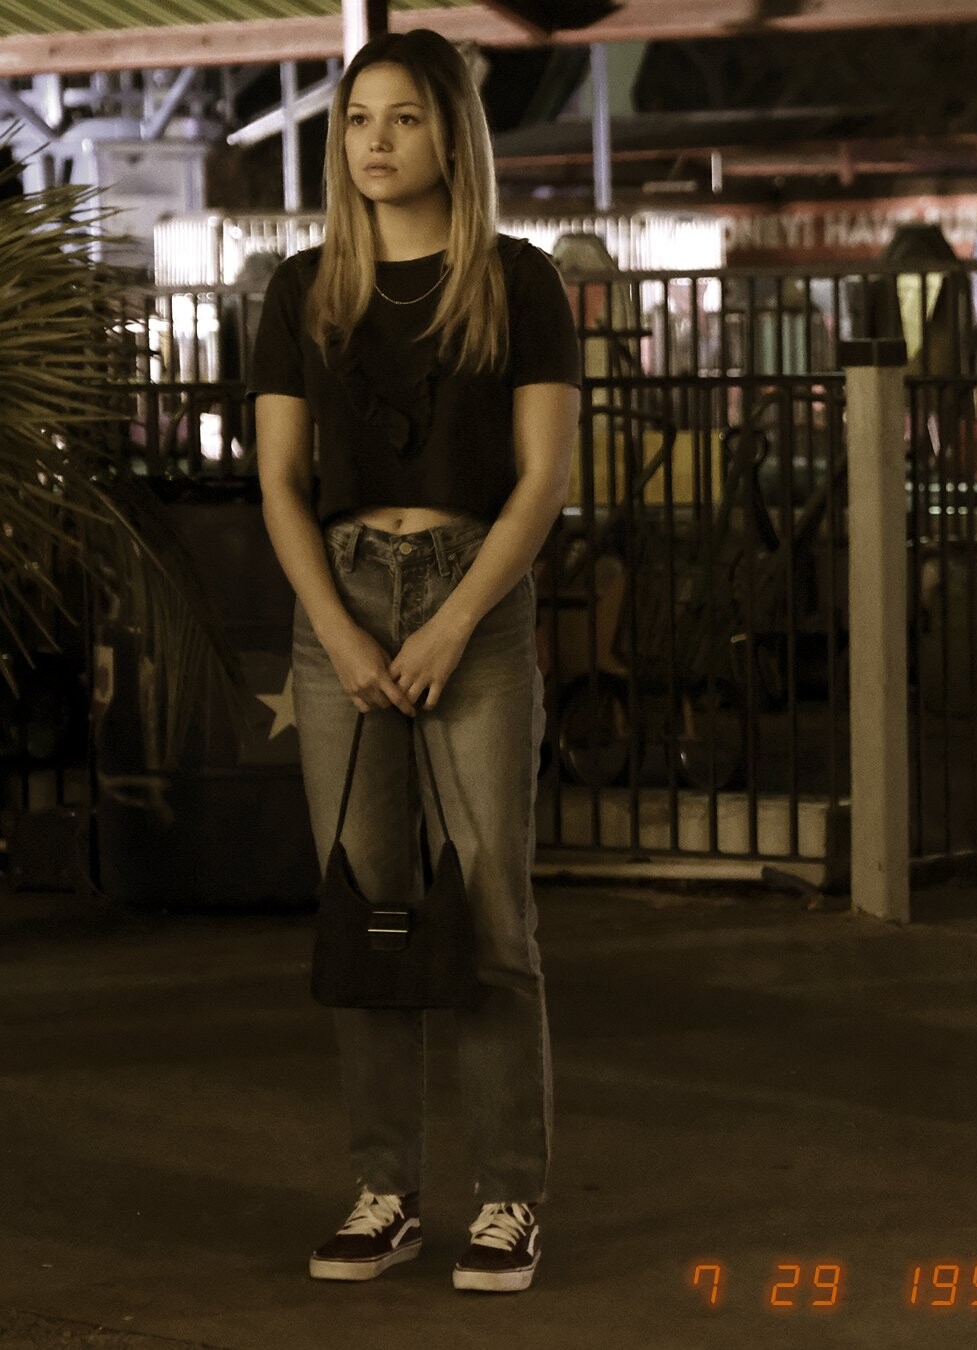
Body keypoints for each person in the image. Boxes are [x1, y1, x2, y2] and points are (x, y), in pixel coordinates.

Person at [247, 28, 581, 1295]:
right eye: (355, 119)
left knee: (490, 904)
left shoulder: (518, 282)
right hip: (338, 602)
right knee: (371, 899)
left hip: (469, 599)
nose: (374, 141)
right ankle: (383, 1193)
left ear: (453, 135)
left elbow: (542, 481)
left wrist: (452, 622)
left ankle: (508, 1200)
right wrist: (340, 630)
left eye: (402, 118)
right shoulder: (305, 289)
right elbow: (280, 485)